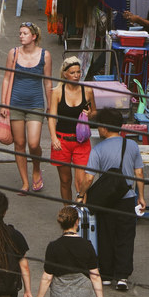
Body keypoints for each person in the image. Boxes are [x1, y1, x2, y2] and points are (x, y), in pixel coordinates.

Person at [84, 111, 144, 292]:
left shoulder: (98, 149)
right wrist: (141, 196)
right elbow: (139, 173)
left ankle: (107, 275)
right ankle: (123, 276)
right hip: (127, 198)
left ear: (103, 127)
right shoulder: (132, 145)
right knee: (125, 236)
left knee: (105, 235)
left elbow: (88, 179)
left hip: (106, 200)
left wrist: (81, 195)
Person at [0, 23, 52, 193]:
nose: (21, 36)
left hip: (36, 104)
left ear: (34, 36)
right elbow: (7, 78)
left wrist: (50, 106)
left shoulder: (45, 55)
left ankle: (36, 169)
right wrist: (3, 103)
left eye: (25, 33)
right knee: (20, 143)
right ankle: (24, 182)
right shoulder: (13, 53)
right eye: (20, 33)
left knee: (34, 143)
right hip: (16, 103)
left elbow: (47, 81)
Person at [48, 55, 92, 204]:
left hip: (81, 140)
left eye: (78, 72)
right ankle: (67, 211)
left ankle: (82, 212)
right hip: (62, 140)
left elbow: (95, 112)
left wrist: (91, 114)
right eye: (72, 73)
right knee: (65, 180)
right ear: (65, 74)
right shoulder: (57, 92)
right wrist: (53, 138)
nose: (76, 76)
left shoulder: (87, 90)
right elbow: (52, 117)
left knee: (81, 182)